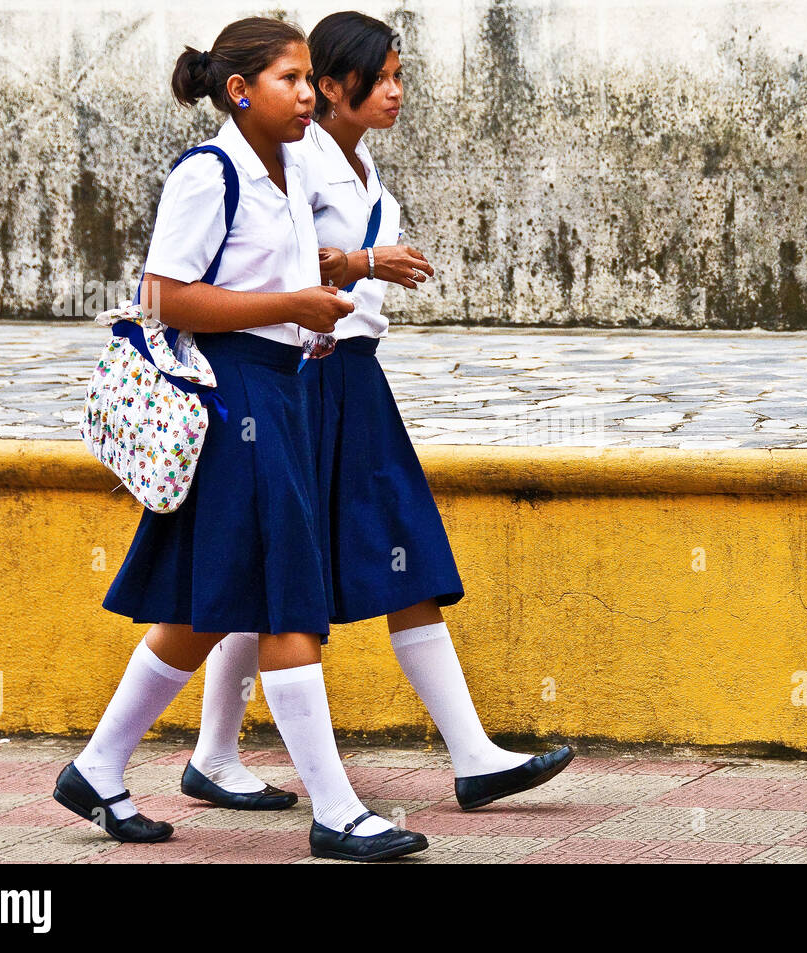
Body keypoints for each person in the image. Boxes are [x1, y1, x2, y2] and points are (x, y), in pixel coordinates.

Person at [53, 15, 429, 861]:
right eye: (292, 80)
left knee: (202, 609)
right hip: (235, 398)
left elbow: (295, 269)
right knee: (290, 600)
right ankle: (336, 810)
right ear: (238, 91)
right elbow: (164, 295)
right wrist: (288, 308)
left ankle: (98, 766)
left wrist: (327, 301)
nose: (308, 94)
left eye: (309, 79)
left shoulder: (286, 171)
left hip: (284, 390)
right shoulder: (208, 173)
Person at [183, 11, 573, 817]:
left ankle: (471, 753)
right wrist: (367, 260)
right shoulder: (292, 158)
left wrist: (367, 260)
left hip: (356, 381)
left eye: (402, 77)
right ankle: (214, 754)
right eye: (382, 77)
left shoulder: (367, 173)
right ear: (331, 86)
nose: (396, 92)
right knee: (265, 572)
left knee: (407, 551)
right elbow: (272, 255)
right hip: (300, 379)